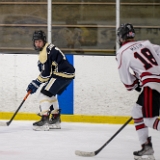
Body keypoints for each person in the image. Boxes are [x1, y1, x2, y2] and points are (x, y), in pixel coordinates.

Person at [116, 23, 160, 160]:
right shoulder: (146, 44)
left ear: (121, 37)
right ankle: (146, 148)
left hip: (152, 85)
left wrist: (134, 85)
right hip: (155, 81)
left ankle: (146, 148)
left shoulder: (122, 52)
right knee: (137, 111)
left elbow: (126, 78)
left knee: (148, 119)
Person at [26, 30, 75, 131]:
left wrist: (35, 83)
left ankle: (44, 121)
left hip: (61, 74)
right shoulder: (48, 48)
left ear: (43, 41)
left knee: (43, 94)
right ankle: (55, 119)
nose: (37, 44)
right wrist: (39, 80)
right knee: (50, 94)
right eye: (36, 42)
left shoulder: (44, 53)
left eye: (39, 41)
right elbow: (48, 72)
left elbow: (46, 74)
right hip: (67, 74)